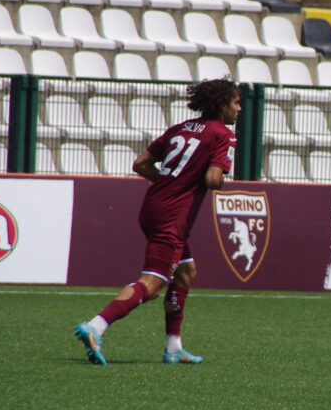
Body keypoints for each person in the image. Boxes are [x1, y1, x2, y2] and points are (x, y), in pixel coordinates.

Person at [74, 77, 240, 365]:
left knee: (186, 272)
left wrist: (169, 183)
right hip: (173, 216)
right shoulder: (223, 134)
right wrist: (214, 180)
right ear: (223, 104)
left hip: (152, 206)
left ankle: (173, 347)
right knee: (151, 284)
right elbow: (213, 180)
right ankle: (95, 326)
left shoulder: (182, 127)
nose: (239, 109)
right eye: (237, 103)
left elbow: (140, 163)